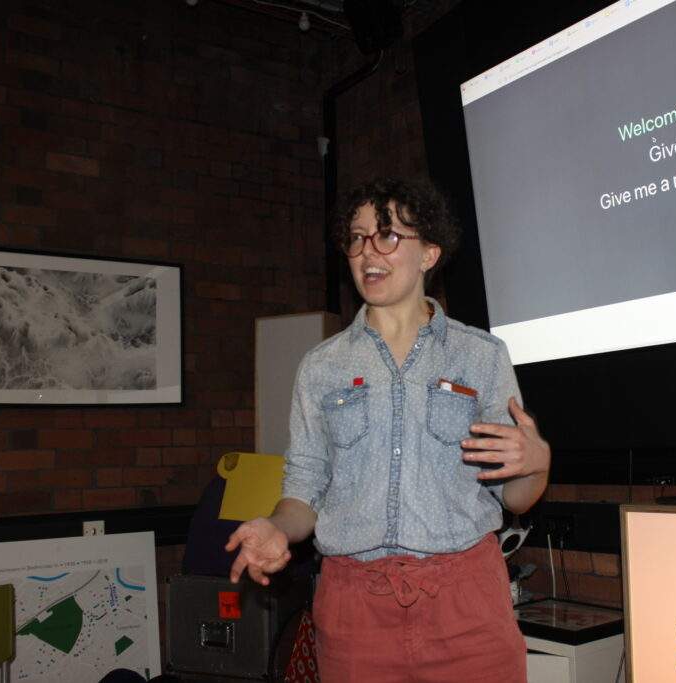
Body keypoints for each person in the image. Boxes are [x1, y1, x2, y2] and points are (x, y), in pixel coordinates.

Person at [225, 178, 550, 682]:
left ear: (429, 254)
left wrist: (537, 463)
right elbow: (304, 491)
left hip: (468, 606)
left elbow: (516, 498)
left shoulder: (481, 356)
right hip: (355, 613)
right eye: (356, 238)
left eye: (387, 236)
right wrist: (276, 527)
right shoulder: (321, 367)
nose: (367, 252)